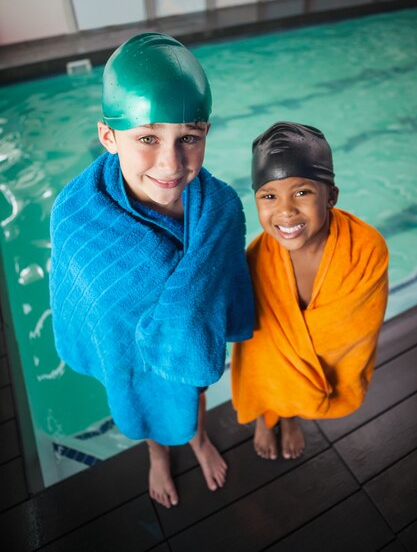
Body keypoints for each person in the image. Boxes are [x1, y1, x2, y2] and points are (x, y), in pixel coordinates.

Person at [50, 32, 254, 509]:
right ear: (108, 136)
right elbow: (83, 304)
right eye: (147, 138)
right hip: (127, 359)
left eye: (189, 138)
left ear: (206, 131)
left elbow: (222, 289)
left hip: (189, 349)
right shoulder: (76, 214)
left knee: (194, 386)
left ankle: (198, 439)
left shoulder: (220, 209)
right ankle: (157, 454)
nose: (171, 163)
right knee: (136, 393)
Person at [231, 121, 388, 461]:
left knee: (290, 374)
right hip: (275, 373)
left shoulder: (365, 251)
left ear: (331, 196)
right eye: (269, 196)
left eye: (302, 192)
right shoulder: (256, 260)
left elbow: (352, 338)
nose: (285, 210)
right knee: (265, 362)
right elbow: (259, 347)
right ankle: (268, 414)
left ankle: (290, 416)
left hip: (317, 377)